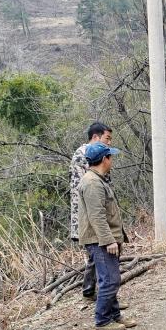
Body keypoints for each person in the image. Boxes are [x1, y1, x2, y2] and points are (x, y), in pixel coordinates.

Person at [77, 142, 136, 330]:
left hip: (103, 238)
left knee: (110, 278)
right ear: (104, 159)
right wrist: (109, 240)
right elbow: (97, 216)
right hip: (100, 240)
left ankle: (114, 315)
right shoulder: (92, 183)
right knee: (110, 280)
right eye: (110, 157)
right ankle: (102, 320)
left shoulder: (97, 179)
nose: (112, 161)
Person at [70, 122, 115, 302]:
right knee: (98, 255)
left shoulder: (96, 154)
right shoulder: (85, 155)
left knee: (97, 257)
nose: (109, 143)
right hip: (89, 215)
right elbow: (92, 193)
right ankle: (95, 295)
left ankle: (95, 293)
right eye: (107, 138)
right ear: (95, 137)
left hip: (95, 213)